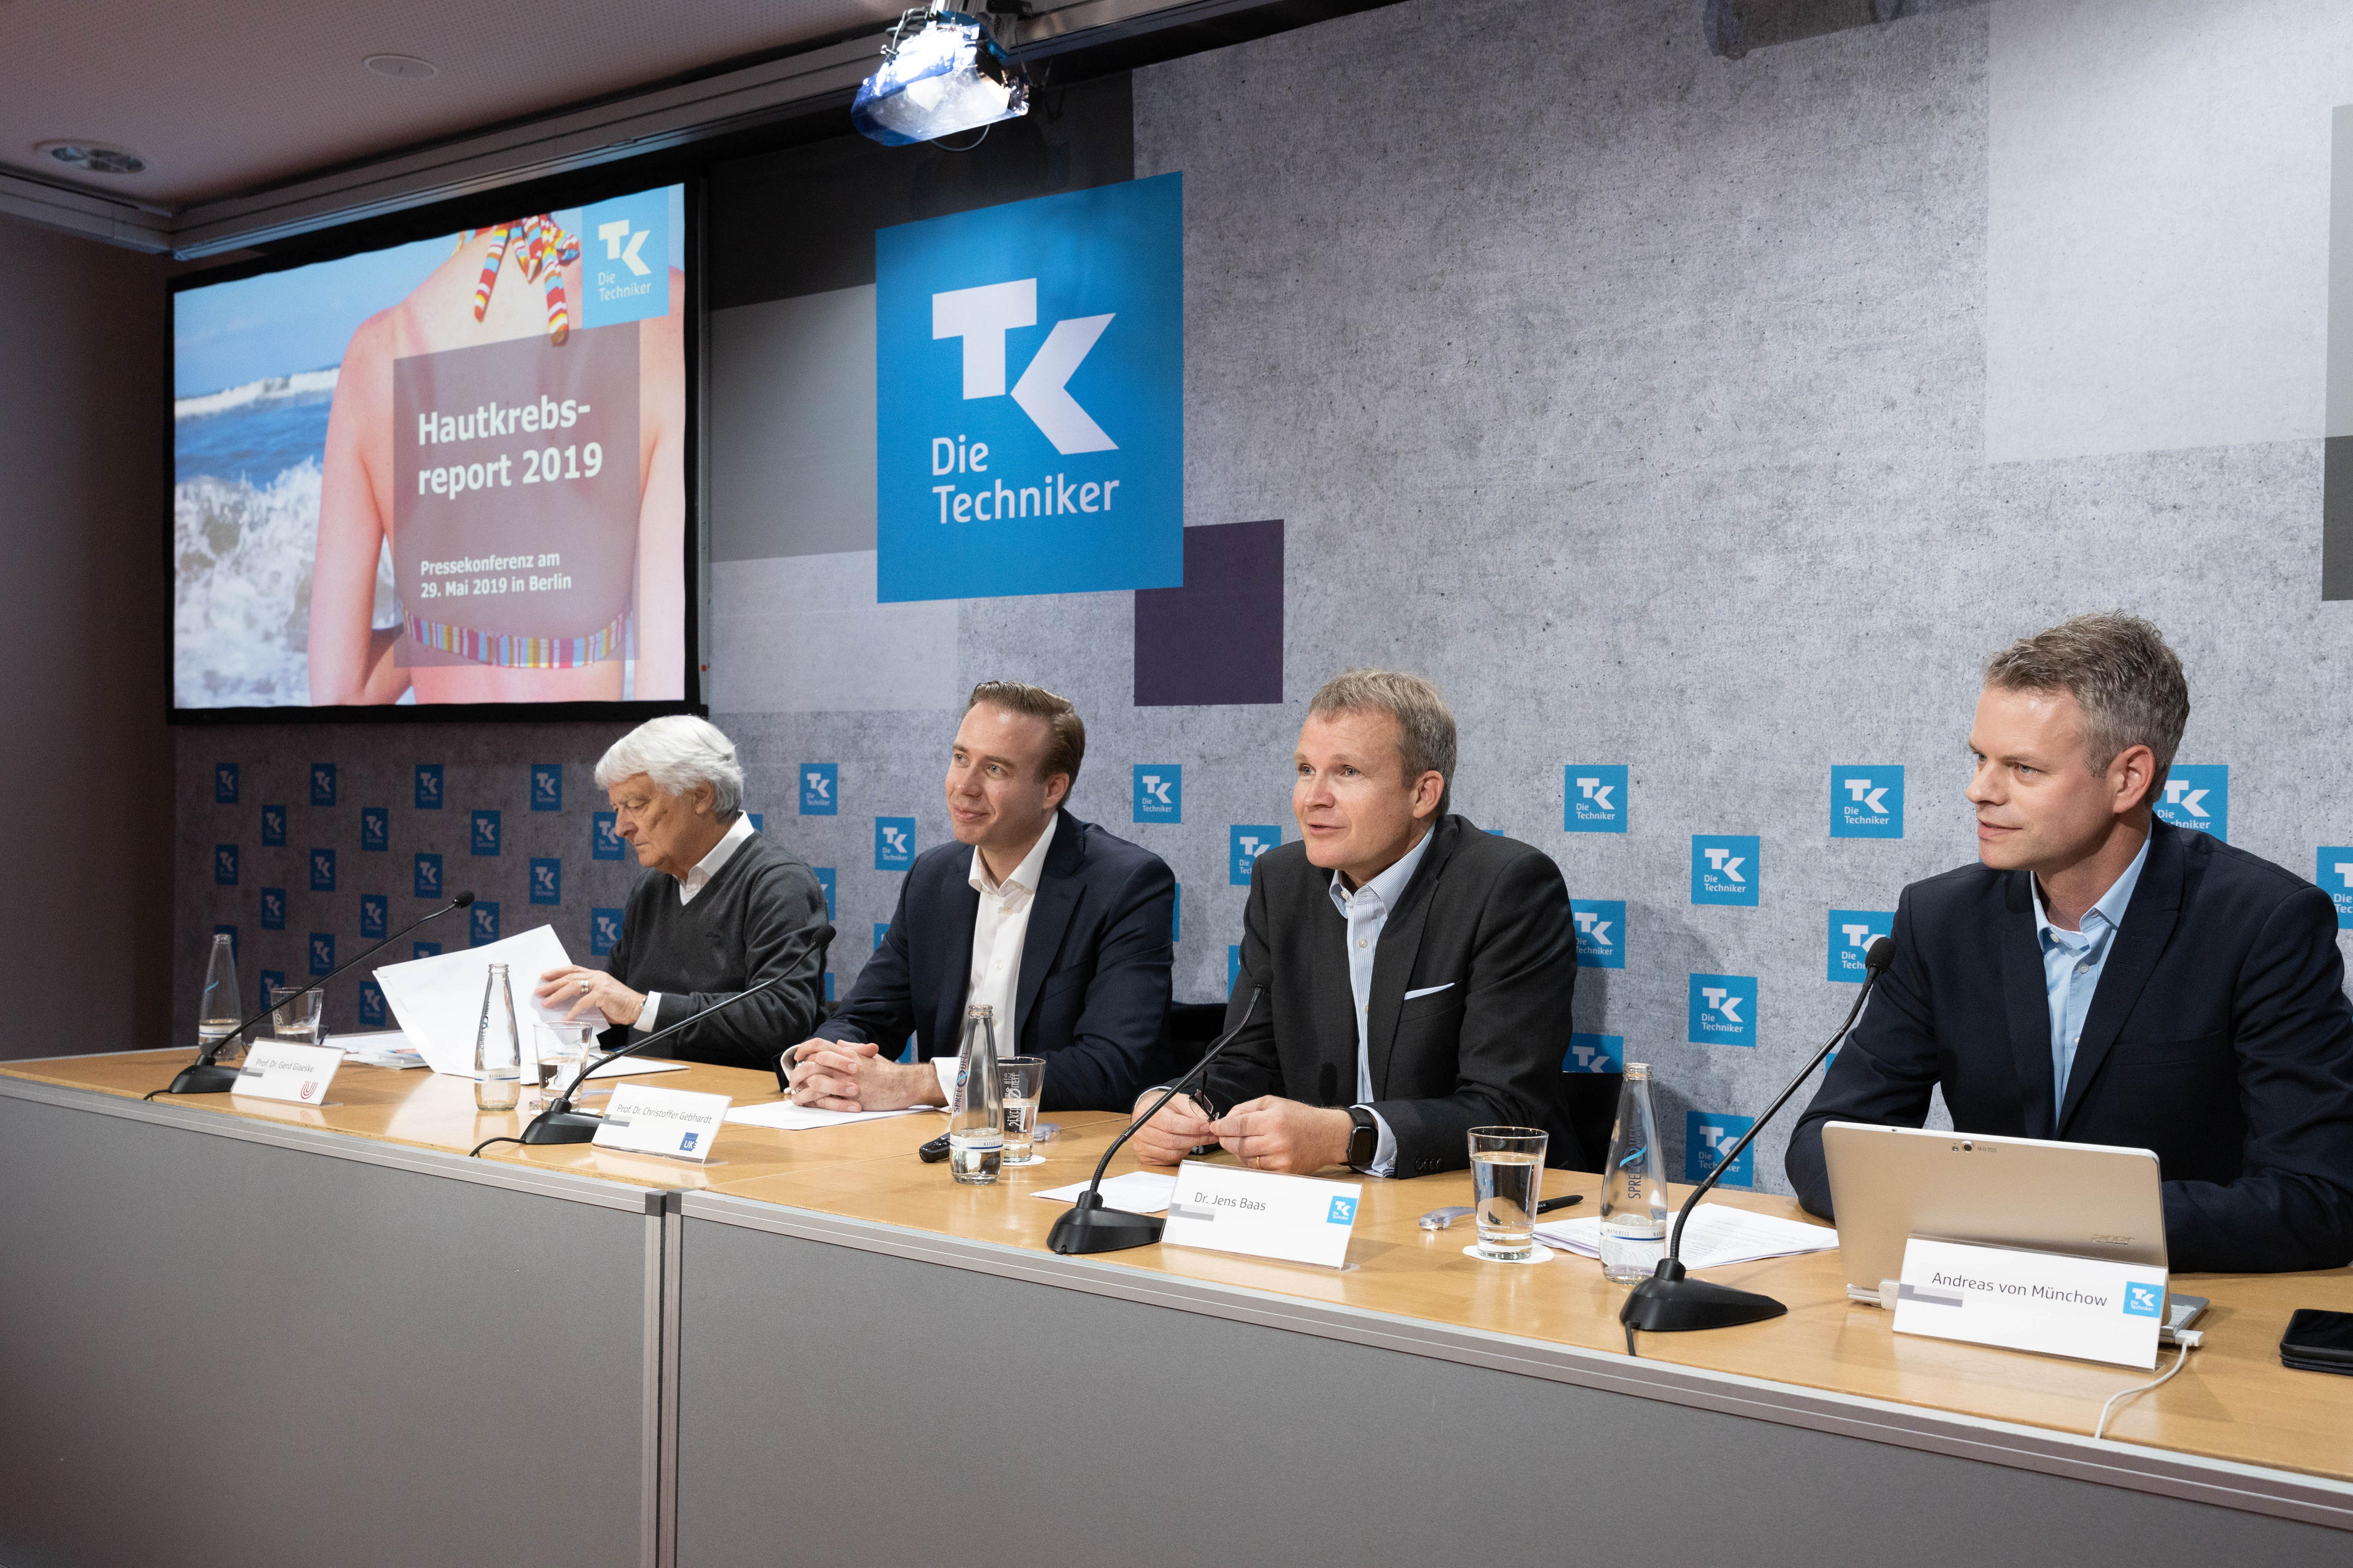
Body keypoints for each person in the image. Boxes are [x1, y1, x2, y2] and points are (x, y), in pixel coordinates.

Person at [1786, 613, 2353, 1274]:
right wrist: (1988, 1217)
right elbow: (1825, 1146)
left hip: (2180, 1306)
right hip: (1977, 1297)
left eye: (2023, 768)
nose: (1979, 790)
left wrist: (2050, 1219)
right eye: (1980, 758)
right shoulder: (1939, 919)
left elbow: (2320, 1197)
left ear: (2128, 778)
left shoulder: (2262, 925)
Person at [1129, 669, 1582, 1179]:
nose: (1313, 797)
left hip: (1482, 1197)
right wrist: (1180, 1106)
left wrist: (1349, 1136)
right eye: (1306, 769)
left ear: (1423, 793)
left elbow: (1505, 1107)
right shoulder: (1282, 882)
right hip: (1328, 1196)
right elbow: (1246, 1060)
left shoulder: (1506, 887)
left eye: (1347, 772)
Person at [309, 216, 685, 705]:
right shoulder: (657, 310)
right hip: (582, 756)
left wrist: (435, 624)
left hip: (435, 758)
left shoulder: (375, 351)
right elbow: (668, 704)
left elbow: (340, 694)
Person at [782, 682, 1175, 1112]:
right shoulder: (932, 878)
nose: (964, 787)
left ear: (1052, 789)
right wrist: (823, 1064)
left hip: (1061, 1141)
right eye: (960, 759)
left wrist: (926, 1083)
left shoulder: (1124, 884)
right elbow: (866, 1018)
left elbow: (1109, 1068)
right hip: (938, 1140)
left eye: (995, 769)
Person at [535, 716, 830, 1071]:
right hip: (645, 1092)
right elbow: (615, 1018)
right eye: (617, 809)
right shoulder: (652, 887)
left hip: (739, 1097)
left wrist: (640, 1008)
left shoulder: (779, 882)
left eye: (636, 805)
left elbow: (781, 1018)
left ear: (700, 795)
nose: (620, 828)